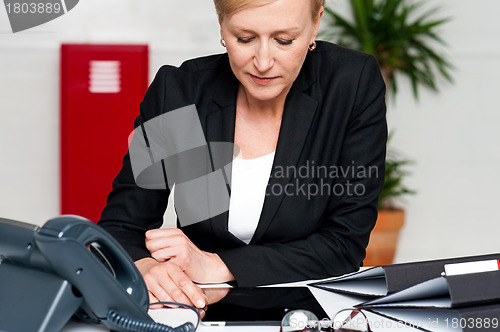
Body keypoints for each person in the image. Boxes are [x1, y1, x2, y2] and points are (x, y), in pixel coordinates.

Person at [98, 0, 387, 311]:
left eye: (284, 40)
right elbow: (122, 226)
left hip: (308, 315)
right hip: (197, 311)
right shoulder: (181, 92)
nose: (263, 62)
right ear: (222, 25)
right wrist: (143, 266)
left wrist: (218, 265)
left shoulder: (350, 83)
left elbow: (344, 245)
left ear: (315, 23)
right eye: (245, 38)